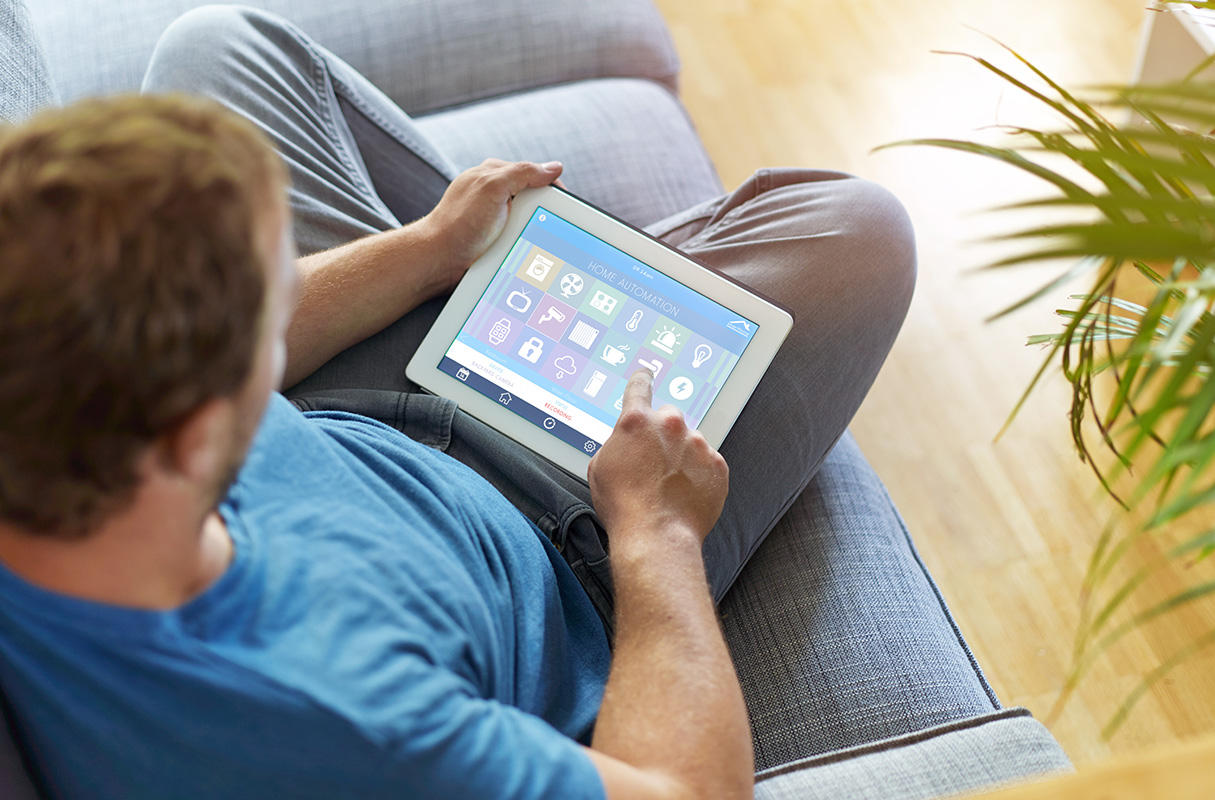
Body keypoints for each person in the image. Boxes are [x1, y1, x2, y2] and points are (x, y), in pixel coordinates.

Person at [0, 6, 916, 799]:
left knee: (217, 43)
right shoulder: (341, 729)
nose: (290, 299)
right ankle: (616, 275)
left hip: (341, 404)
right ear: (196, 432)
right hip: (569, 517)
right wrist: (657, 533)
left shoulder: (60, 431)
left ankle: (534, 269)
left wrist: (430, 248)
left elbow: (258, 353)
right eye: (271, 306)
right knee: (862, 230)